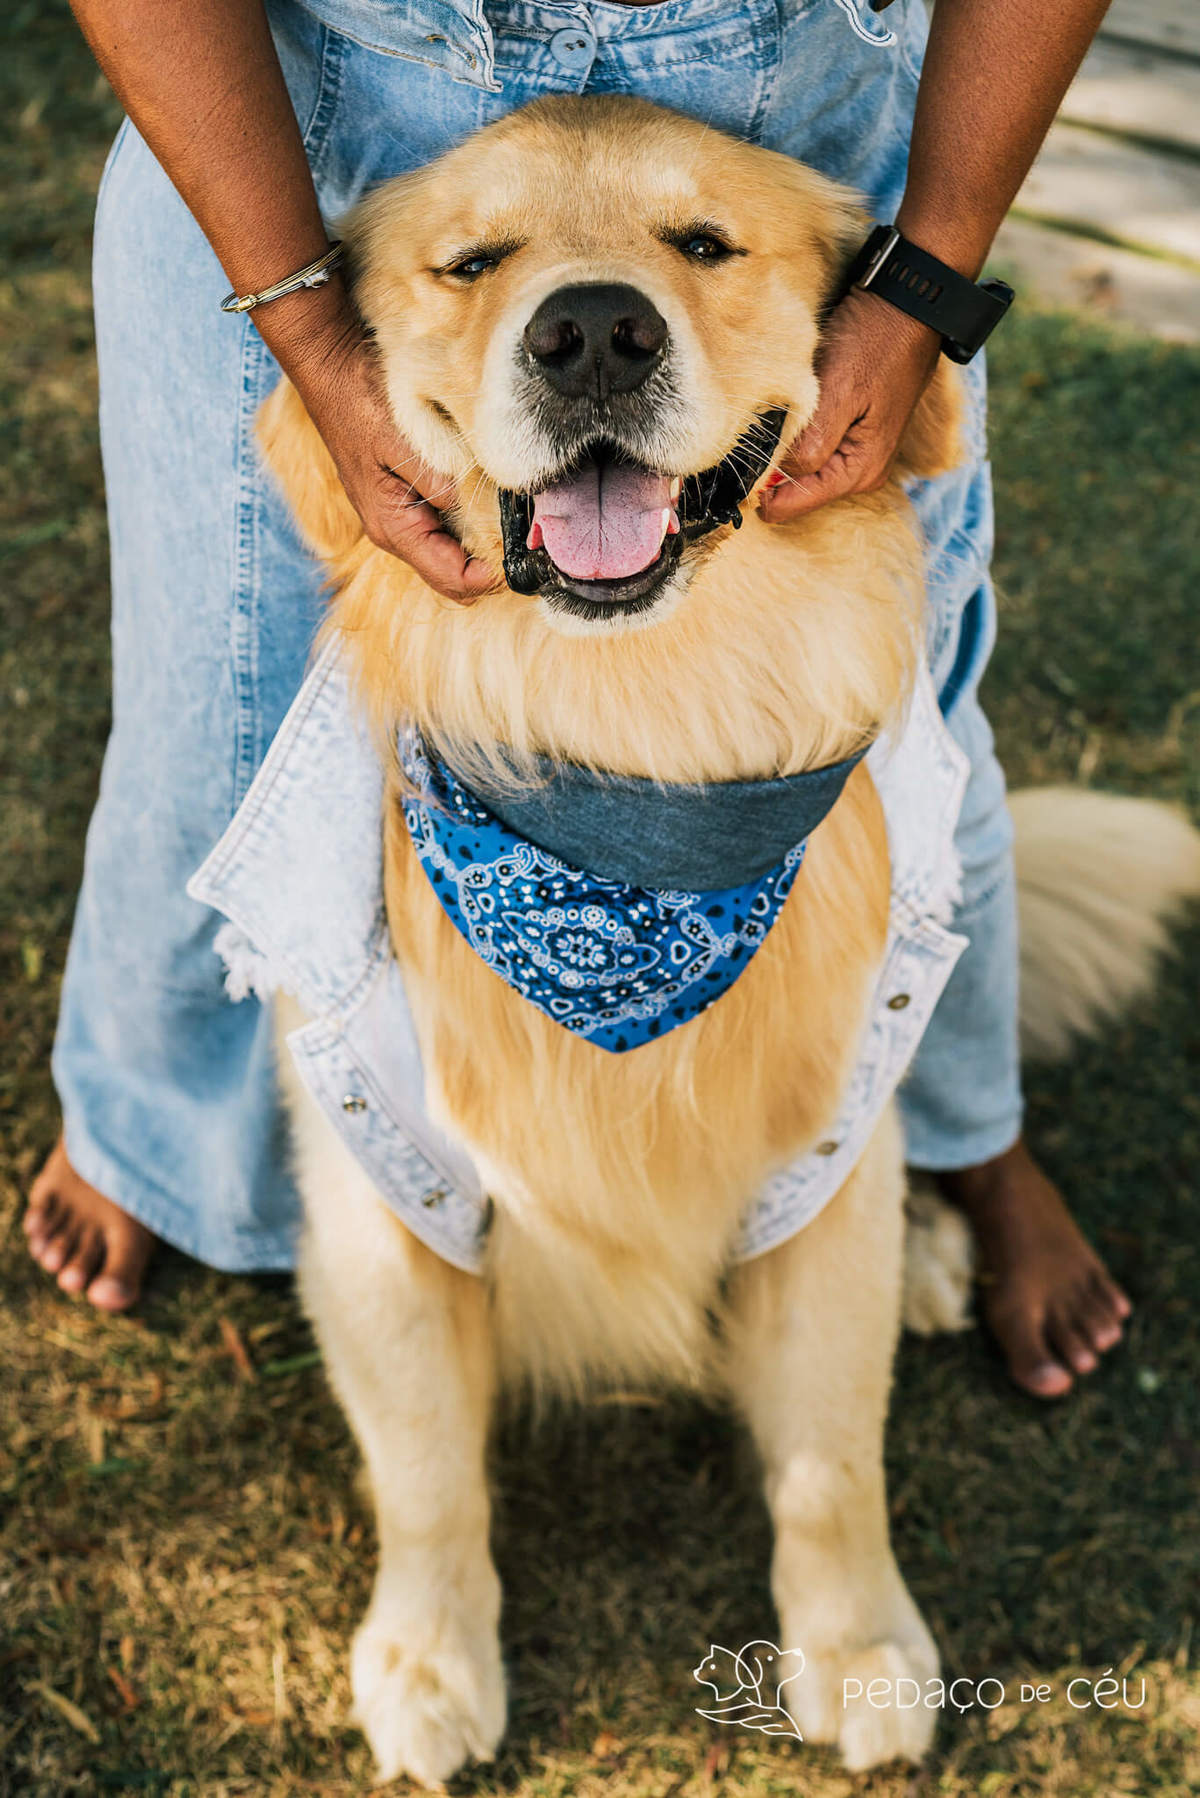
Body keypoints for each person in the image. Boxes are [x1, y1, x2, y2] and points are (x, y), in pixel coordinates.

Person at [24, 0, 1130, 1399]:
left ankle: (970, 1132)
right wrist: (309, 331)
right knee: (215, 730)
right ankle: (156, 1130)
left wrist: (929, 271)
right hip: (304, 126)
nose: (590, 328)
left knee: (913, 755)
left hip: (790, 106)